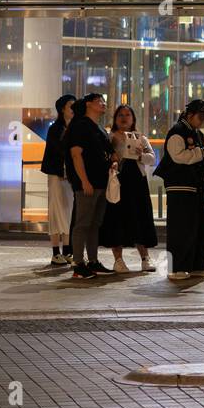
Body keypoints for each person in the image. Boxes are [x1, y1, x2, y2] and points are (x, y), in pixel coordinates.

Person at [155, 100, 204, 282]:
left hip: (196, 188)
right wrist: (203, 152)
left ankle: (197, 266)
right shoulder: (177, 131)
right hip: (180, 187)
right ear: (190, 115)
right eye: (201, 117)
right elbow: (178, 157)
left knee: (201, 229)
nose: (203, 122)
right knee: (181, 229)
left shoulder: (196, 133)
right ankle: (177, 268)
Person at [100, 104, 158, 273]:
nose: (124, 118)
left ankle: (145, 258)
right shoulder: (109, 138)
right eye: (120, 115)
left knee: (140, 218)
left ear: (133, 119)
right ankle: (118, 260)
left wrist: (140, 154)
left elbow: (152, 159)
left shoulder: (140, 138)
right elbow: (104, 159)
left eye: (127, 115)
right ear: (115, 119)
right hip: (118, 183)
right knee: (116, 219)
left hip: (137, 184)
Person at [65, 93, 116, 280]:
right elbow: (76, 155)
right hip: (87, 184)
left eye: (104, 100)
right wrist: (84, 180)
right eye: (99, 101)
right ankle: (78, 264)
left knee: (95, 224)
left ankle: (93, 262)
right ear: (88, 105)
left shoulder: (98, 128)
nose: (103, 104)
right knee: (83, 223)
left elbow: (108, 152)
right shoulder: (80, 126)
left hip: (102, 182)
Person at [38, 94, 76, 267]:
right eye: (70, 106)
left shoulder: (74, 127)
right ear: (62, 109)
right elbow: (58, 152)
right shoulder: (56, 128)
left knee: (68, 211)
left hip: (69, 176)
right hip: (56, 175)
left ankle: (67, 250)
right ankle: (55, 252)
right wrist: (62, 170)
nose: (74, 109)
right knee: (56, 210)